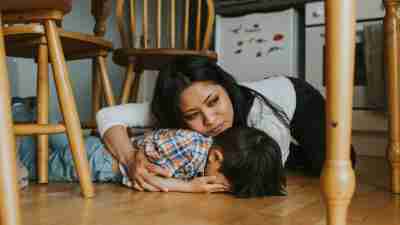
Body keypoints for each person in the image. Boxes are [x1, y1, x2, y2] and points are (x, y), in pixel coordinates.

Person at [96, 56, 356, 192]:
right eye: (192, 115)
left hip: (295, 97)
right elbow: (108, 115)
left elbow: (263, 173)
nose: (210, 120)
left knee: (334, 162)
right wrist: (131, 160)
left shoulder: (262, 118)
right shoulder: (177, 105)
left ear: (225, 88)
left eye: (214, 101)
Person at [119, 127, 286, 197]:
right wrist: (189, 187)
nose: (221, 191)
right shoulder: (187, 146)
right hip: (102, 159)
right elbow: (142, 179)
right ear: (216, 157)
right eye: (224, 188)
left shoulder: (207, 159)